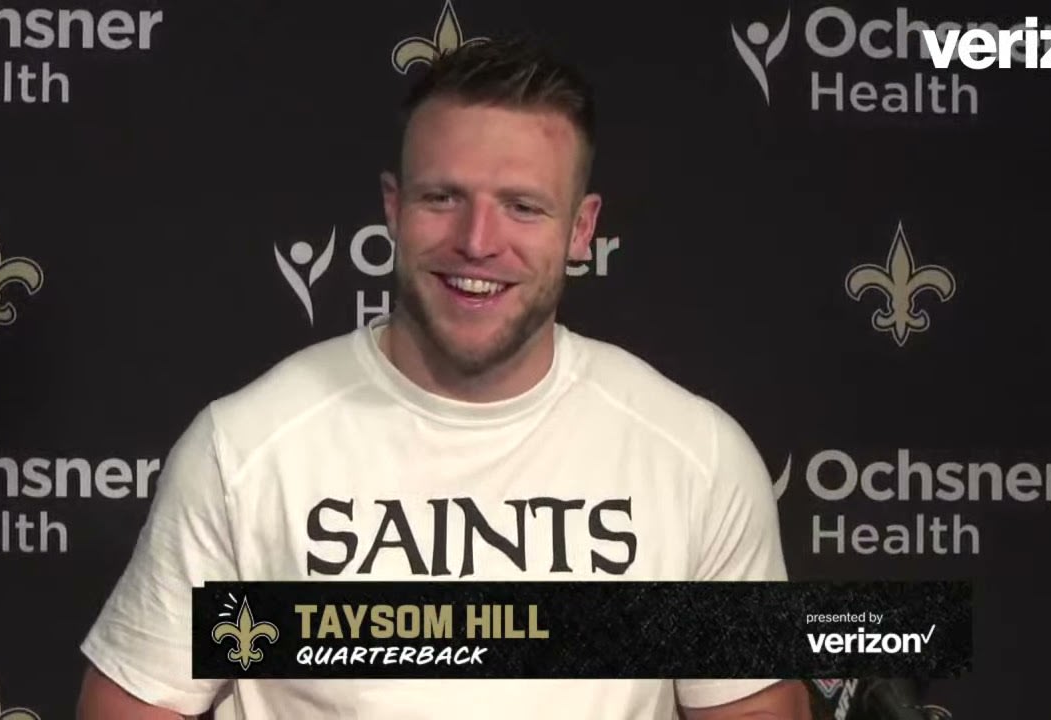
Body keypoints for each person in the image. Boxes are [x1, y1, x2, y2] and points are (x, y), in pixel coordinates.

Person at [75, 35, 809, 720]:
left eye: (522, 207)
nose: (477, 243)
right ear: (393, 207)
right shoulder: (246, 450)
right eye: (442, 199)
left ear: (581, 229)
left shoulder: (694, 457)